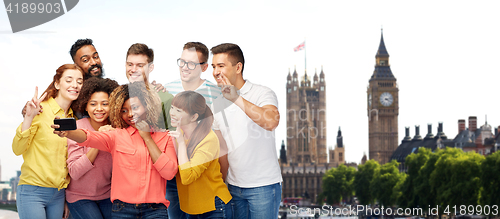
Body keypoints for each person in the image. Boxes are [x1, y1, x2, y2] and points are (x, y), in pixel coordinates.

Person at [52, 82, 178, 219]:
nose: (130, 114)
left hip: (156, 211)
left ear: (147, 106)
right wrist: (68, 133)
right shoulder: (117, 135)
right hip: (123, 210)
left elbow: (169, 173)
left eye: (135, 107)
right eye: (124, 110)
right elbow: (89, 137)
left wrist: (147, 138)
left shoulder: (165, 137)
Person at [210, 43, 282, 219]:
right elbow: (222, 150)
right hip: (233, 188)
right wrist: (223, 184)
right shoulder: (216, 104)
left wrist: (236, 98)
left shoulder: (262, 93)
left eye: (221, 66)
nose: (215, 72)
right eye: (213, 67)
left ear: (238, 67)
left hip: (263, 187)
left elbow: (271, 121)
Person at [165, 42, 230, 219]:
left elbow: (222, 140)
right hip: (175, 174)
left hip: (202, 173)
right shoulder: (167, 90)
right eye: (182, 62)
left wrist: (219, 180)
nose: (185, 68)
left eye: (192, 64)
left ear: (204, 67)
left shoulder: (217, 94)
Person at [12, 64, 84, 219]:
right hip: (33, 191)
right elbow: (17, 149)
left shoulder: (74, 120)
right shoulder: (40, 110)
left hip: (58, 195)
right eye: (69, 80)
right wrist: (29, 117)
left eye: (79, 81)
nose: (75, 85)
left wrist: (66, 198)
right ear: (57, 83)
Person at [169, 91, 232, 219]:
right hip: (191, 209)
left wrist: (181, 144)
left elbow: (187, 177)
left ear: (193, 117)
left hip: (214, 208)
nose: (172, 113)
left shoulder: (208, 139)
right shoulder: (177, 135)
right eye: (172, 108)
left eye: (179, 111)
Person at [65, 77, 119, 219]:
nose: (99, 109)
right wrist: (98, 140)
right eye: (93, 104)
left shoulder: (116, 130)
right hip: (79, 197)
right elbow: (75, 172)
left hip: (107, 194)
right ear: (85, 106)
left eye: (105, 104)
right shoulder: (77, 129)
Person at [125, 43, 174, 130]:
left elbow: (174, 136)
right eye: (130, 64)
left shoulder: (165, 98)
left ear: (150, 68)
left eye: (140, 65)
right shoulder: (121, 96)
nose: (133, 70)